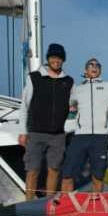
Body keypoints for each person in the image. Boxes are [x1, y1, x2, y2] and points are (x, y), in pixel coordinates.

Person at [18, 43, 76, 200]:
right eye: (53, 57)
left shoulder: (69, 81)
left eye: (59, 58)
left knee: (54, 169)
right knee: (33, 170)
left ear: (63, 60)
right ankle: (28, 204)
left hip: (58, 135)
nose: (56, 60)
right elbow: (24, 106)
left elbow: (74, 108)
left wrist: (69, 128)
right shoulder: (34, 78)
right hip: (36, 133)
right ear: (48, 58)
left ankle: (49, 203)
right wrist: (22, 132)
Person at [62, 57, 108, 193]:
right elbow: (69, 105)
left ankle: (95, 207)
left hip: (100, 137)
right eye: (91, 65)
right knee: (67, 173)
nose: (94, 67)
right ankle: (63, 207)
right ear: (86, 70)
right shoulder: (78, 89)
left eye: (97, 65)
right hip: (80, 136)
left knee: (98, 175)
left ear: (100, 70)